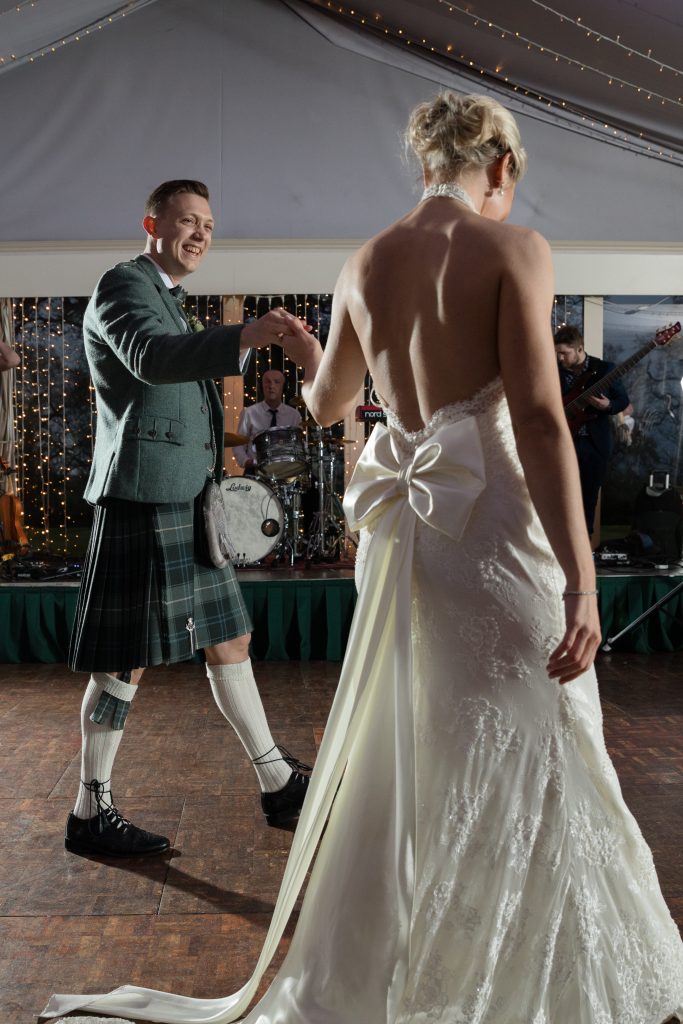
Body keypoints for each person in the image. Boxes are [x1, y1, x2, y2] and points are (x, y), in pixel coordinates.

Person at [43, 99, 683, 1023]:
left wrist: (305, 348)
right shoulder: (515, 250)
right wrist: (582, 579)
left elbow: (329, 400)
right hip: (494, 532)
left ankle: (414, 949)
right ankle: (519, 964)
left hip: (411, 546)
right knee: (531, 726)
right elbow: (541, 421)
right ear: (497, 165)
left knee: (424, 738)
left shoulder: (364, 263)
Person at [63, 179, 313, 860]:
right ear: (152, 223)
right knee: (124, 664)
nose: (200, 233)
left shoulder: (172, 302)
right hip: (143, 496)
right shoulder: (124, 285)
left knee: (229, 637)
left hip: (182, 495)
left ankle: (276, 781)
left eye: (208, 224)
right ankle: (91, 810)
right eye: (186, 221)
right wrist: (246, 334)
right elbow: (149, 358)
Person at [554, 324, 629, 537]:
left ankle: (584, 549)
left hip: (593, 444)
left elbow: (622, 400)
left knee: (588, 497)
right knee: (561, 496)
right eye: (557, 353)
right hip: (561, 443)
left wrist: (608, 407)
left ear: (579, 349)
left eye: (564, 353)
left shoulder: (605, 369)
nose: (560, 358)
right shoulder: (551, 370)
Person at [233, 368, 302, 474]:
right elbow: (238, 444)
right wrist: (246, 461)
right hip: (255, 470)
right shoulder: (249, 412)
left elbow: (297, 447)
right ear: (262, 386)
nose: (271, 386)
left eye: (277, 382)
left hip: (285, 471)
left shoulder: (294, 415)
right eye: (267, 382)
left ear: (284, 387)